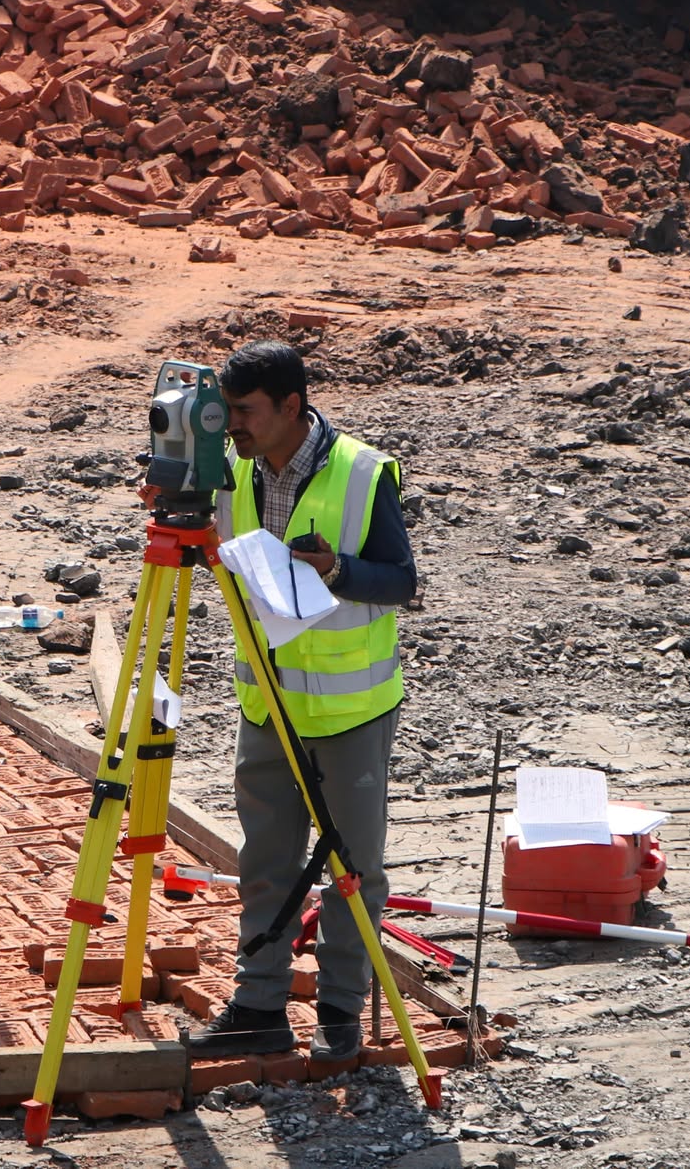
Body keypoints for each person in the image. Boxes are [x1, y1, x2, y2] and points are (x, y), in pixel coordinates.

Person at [185, 340, 414, 1064]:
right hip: (266, 705)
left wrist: (337, 569)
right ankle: (260, 1003)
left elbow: (402, 581)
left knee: (354, 868)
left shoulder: (361, 473)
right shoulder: (231, 472)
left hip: (351, 710)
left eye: (245, 413)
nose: (232, 428)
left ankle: (341, 1011)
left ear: (291, 406)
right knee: (266, 861)